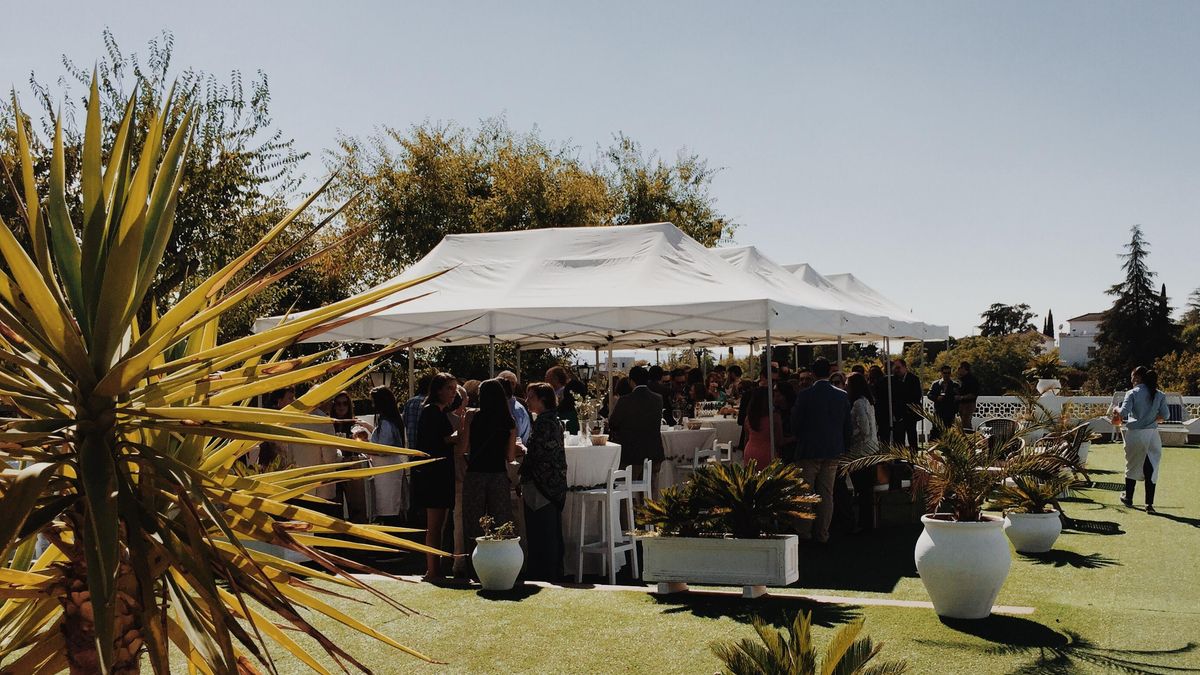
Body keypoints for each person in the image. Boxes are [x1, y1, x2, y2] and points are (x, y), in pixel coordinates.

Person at [789, 357, 851, 543]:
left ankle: (805, 532)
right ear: (829, 372)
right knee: (826, 494)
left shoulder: (805, 395)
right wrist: (843, 447)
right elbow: (847, 426)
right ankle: (822, 533)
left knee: (805, 493)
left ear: (813, 373)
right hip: (833, 450)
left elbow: (795, 423)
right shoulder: (841, 395)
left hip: (809, 450)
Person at [460, 378, 517, 572]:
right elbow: (510, 456)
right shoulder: (509, 422)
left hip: (475, 473)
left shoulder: (471, 416)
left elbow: (464, 447)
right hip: (498, 474)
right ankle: (502, 564)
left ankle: (474, 566)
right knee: (501, 520)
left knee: (473, 522)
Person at [411, 373, 459, 580]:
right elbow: (435, 442)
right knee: (435, 525)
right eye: (449, 388)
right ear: (438, 389)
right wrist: (462, 432)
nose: (453, 393)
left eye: (455, 388)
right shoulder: (431, 412)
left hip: (442, 472)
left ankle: (436, 566)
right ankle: (432, 568)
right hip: (434, 475)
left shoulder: (440, 411)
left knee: (441, 524)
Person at [520, 382, 568, 580]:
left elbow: (538, 455)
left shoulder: (543, 423)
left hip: (542, 485)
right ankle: (552, 570)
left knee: (542, 531)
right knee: (551, 531)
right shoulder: (553, 421)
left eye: (531, 397)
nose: (527, 401)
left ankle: (543, 573)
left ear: (543, 400)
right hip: (553, 484)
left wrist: (523, 453)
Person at [1116, 366, 1170, 513]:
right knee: (1151, 468)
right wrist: (1151, 419)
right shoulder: (1159, 394)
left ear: (1138, 378)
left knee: (1132, 465)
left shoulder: (1132, 393)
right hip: (1152, 435)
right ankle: (1149, 504)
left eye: (1132, 376)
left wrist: (1116, 409)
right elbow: (1165, 415)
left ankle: (1128, 497)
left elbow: (1124, 412)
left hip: (1135, 434)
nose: (1131, 379)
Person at [608, 366, 666, 479]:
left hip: (631, 455)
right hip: (654, 453)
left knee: (626, 490)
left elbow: (613, 423)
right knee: (650, 490)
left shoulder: (625, 400)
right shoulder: (658, 399)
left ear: (631, 381)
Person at [369, 387, 409, 526]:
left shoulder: (386, 422)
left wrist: (365, 447)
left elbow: (383, 449)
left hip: (387, 470)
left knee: (388, 505)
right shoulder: (389, 420)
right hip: (388, 469)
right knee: (390, 503)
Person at [845, 372, 879, 532]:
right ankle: (868, 522)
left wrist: (850, 435)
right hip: (871, 449)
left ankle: (864, 523)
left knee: (863, 489)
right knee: (867, 490)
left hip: (861, 451)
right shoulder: (868, 402)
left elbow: (864, 429)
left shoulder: (859, 403)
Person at [332, 391, 372, 522]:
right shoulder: (328, 424)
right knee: (335, 507)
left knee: (357, 507)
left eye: (345, 403)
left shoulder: (355, 424)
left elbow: (364, 441)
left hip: (352, 465)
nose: (341, 407)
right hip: (334, 467)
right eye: (338, 404)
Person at [742, 386, 785, 468]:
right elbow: (779, 440)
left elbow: (746, 438)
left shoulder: (749, 418)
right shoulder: (774, 417)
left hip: (750, 451)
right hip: (768, 451)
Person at [890, 359, 922, 450]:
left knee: (912, 436)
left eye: (898, 368)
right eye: (895, 368)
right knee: (899, 438)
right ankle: (899, 459)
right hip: (898, 414)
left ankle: (913, 458)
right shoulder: (893, 380)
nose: (896, 370)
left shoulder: (914, 379)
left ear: (905, 367)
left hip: (910, 413)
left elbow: (916, 396)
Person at [497, 370, 532, 446]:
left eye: (512, 383)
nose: (509, 385)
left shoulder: (519, 409)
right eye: (506, 382)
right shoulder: (493, 406)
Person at [926, 365, 960, 440]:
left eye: (948, 373)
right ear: (941, 373)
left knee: (949, 433)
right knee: (935, 432)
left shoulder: (955, 385)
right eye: (945, 373)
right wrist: (936, 398)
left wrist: (956, 403)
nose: (947, 375)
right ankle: (932, 449)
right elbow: (929, 394)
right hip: (939, 411)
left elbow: (959, 397)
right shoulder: (936, 384)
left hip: (950, 412)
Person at [546, 366, 580, 434]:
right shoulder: (551, 393)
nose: (545, 380)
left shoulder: (566, 393)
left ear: (556, 379)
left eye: (547, 377)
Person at [403, 374, 433, 448]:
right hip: (426, 446)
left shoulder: (410, 402)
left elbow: (405, 422)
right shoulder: (430, 403)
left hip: (412, 446)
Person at [868, 365, 891, 446]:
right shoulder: (871, 384)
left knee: (883, 432)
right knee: (882, 433)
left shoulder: (883, 382)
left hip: (882, 410)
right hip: (879, 410)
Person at [956, 362, 980, 432]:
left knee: (966, 423)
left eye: (959, 368)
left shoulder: (972, 380)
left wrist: (961, 397)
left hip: (969, 404)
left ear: (964, 368)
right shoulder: (961, 379)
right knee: (963, 423)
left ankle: (969, 438)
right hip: (961, 404)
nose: (958, 370)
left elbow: (974, 394)